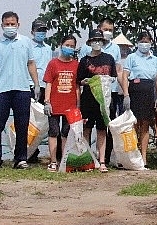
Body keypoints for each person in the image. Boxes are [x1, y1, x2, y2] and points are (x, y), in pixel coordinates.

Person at [0, 11, 39, 169]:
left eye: (12, 24)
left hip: (22, 89)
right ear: (2, 25)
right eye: (7, 24)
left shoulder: (26, 42)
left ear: (18, 25)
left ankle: (21, 158)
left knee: (22, 125)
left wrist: (35, 84)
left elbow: (31, 64)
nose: (10, 27)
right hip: (1, 90)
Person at [78, 18, 126, 166]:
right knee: (86, 129)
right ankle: (86, 158)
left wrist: (124, 91)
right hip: (88, 98)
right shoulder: (85, 60)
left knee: (102, 129)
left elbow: (114, 75)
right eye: (94, 40)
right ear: (90, 42)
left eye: (99, 40)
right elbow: (79, 80)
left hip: (104, 99)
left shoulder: (109, 58)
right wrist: (86, 81)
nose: (97, 43)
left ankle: (102, 160)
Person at [122, 30, 157, 166]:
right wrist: (126, 94)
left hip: (148, 92)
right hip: (135, 91)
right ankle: (133, 155)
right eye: (142, 41)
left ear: (151, 43)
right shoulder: (131, 57)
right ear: (137, 43)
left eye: (147, 41)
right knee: (133, 125)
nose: (144, 44)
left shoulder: (155, 59)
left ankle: (143, 156)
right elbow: (124, 76)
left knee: (145, 125)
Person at [42, 34, 80, 172]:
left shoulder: (76, 65)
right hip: (54, 104)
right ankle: (53, 161)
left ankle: (64, 160)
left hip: (70, 105)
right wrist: (47, 102)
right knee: (53, 132)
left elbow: (77, 87)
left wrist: (78, 105)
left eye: (72, 46)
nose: (69, 48)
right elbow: (49, 83)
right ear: (61, 45)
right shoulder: (53, 63)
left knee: (65, 133)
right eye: (67, 45)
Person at [28, 18, 54, 163]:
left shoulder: (48, 48)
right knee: (30, 121)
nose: (41, 33)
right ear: (32, 31)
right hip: (30, 86)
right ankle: (30, 152)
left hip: (46, 87)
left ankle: (51, 152)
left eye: (44, 30)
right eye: (39, 30)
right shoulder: (28, 46)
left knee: (46, 120)